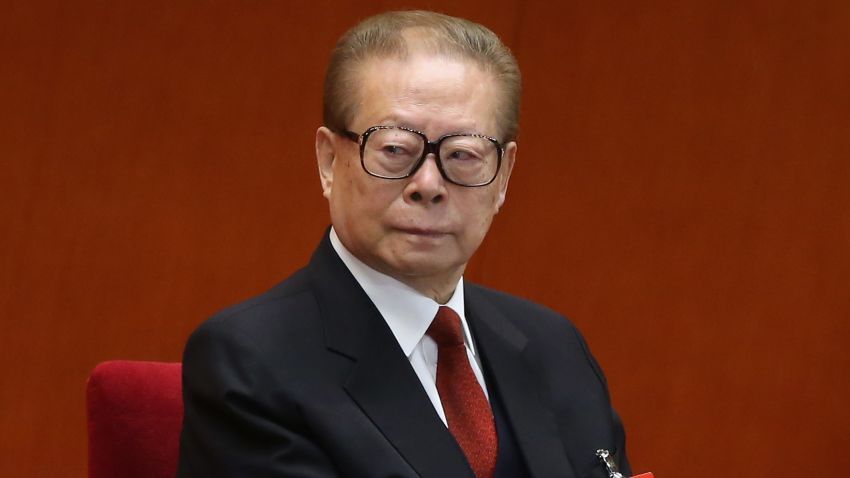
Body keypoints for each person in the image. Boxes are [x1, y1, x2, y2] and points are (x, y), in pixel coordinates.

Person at [178, 10, 630, 478]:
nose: (428, 184)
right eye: (395, 149)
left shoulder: (553, 347)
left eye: (463, 155)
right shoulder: (251, 361)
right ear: (330, 161)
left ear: (503, 178)